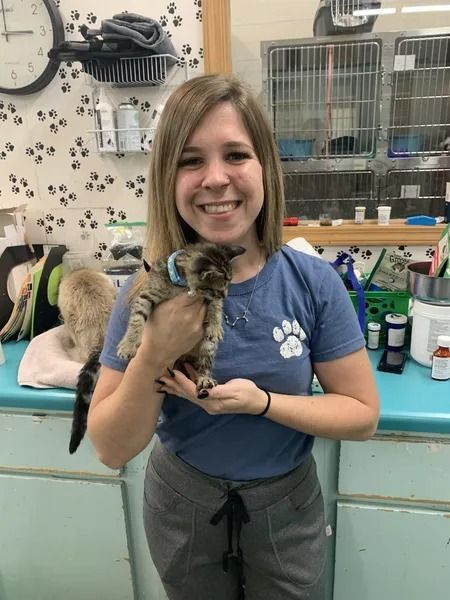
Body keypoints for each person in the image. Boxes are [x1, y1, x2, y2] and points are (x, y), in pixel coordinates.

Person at [87, 74, 379, 600]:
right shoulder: (147, 289)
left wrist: (262, 403)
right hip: (182, 504)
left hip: (287, 508)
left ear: (264, 166)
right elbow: (110, 448)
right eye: (191, 160)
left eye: (236, 155)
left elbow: (361, 415)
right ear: (167, 179)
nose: (216, 179)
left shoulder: (312, 284)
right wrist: (155, 350)